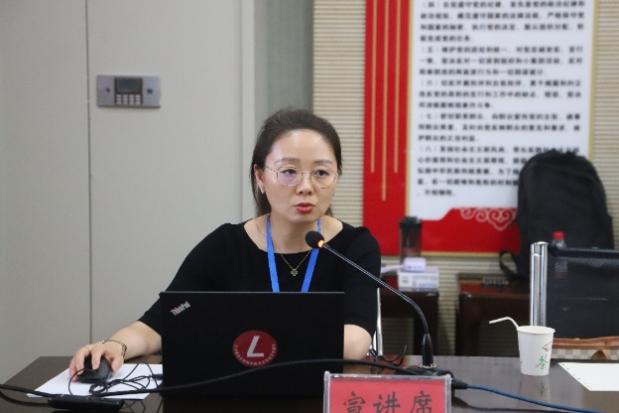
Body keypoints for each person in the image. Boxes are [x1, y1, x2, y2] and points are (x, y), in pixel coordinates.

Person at [69, 109, 380, 377]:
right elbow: (159, 324)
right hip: (239, 394)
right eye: (288, 172)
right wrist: (114, 346)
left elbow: (354, 342)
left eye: (322, 172)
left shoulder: (354, 248)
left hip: (321, 394)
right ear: (260, 177)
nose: (306, 187)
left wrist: (252, 340)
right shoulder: (226, 246)